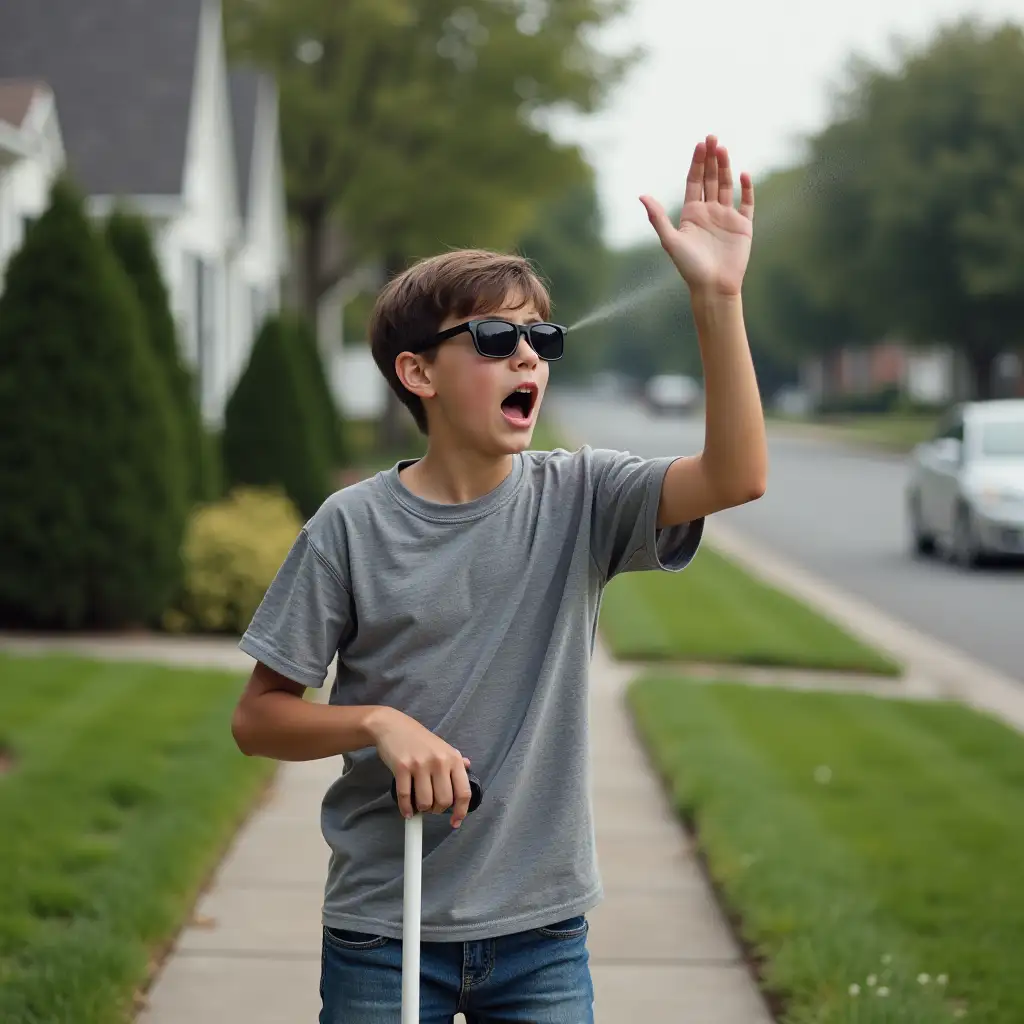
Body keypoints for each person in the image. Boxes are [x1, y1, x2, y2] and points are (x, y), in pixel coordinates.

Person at [230, 134, 767, 1023]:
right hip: (384, 929)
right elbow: (258, 718)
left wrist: (716, 296)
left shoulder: (584, 496)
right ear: (417, 373)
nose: (528, 356)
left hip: (543, 936)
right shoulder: (352, 527)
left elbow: (738, 474)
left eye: (539, 337)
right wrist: (374, 720)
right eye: (494, 337)